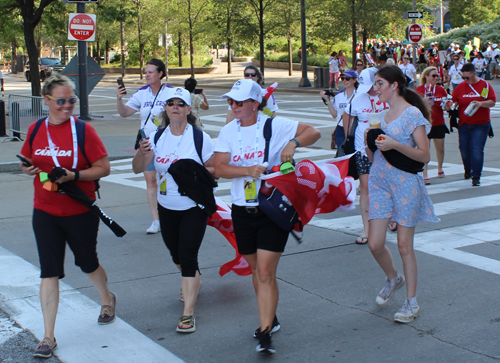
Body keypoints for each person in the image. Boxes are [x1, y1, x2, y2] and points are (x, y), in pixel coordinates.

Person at [214, 79, 320, 354]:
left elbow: (314, 131)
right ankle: (269, 317)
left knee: (264, 271)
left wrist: (294, 144)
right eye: (231, 102)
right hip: (241, 208)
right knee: (256, 269)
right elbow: (219, 168)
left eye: (239, 102)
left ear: (254, 103)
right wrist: (246, 171)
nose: (234, 106)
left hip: (271, 208)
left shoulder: (274, 125)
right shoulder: (228, 131)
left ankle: (264, 333)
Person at [19, 75, 115, 358]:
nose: (67, 106)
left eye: (71, 100)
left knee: (87, 262)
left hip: (80, 209)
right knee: (49, 271)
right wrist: (27, 169)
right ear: (47, 101)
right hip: (45, 209)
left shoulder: (84, 131)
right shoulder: (36, 129)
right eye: (60, 101)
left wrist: (76, 176)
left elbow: (104, 167)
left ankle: (107, 299)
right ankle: (48, 336)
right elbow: (28, 159)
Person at [132, 87, 215, 333]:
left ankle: (188, 313)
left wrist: (191, 171)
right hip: (166, 205)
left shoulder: (200, 138)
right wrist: (141, 152)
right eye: (171, 103)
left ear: (189, 109)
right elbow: (139, 168)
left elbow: (213, 169)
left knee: (188, 256)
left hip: (192, 206)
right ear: (166, 109)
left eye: (180, 103)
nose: (175, 107)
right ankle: (194, 279)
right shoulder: (157, 137)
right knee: (176, 256)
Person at [365, 65, 439, 323]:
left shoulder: (413, 114)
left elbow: (424, 155)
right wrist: (370, 142)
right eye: (375, 84)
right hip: (380, 182)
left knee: (404, 245)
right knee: (374, 243)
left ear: (394, 85)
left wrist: (395, 143)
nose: (376, 89)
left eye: (380, 84)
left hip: (406, 183)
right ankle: (392, 277)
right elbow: (375, 158)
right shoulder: (381, 117)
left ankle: (411, 302)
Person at [117, 58, 172, 234]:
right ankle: (156, 220)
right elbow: (125, 113)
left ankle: (170, 215)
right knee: (151, 180)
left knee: (167, 180)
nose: (147, 75)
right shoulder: (142, 93)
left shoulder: (171, 92)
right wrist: (119, 99)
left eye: (150, 72)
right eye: (146, 72)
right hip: (147, 144)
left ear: (160, 74)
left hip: (168, 143)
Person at [343, 67, 389, 245]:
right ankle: (367, 228)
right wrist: (348, 137)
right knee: (366, 187)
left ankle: (391, 218)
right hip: (363, 148)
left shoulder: (386, 94)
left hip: (387, 146)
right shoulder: (358, 97)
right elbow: (348, 114)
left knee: (387, 184)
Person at [447, 63, 497, 186]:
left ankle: (476, 176)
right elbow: (453, 101)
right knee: (464, 149)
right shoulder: (460, 87)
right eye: (463, 77)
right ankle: (467, 169)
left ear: (474, 74)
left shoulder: (485, 85)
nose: (465, 80)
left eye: (467, 77)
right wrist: (449, 106)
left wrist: (481, 103)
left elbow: (492, 102)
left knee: (476, 149)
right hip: (464, 123)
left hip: (481, 124)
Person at [416, 67, 450, 184]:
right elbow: (415, 107)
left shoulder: (441, 89)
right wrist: (424, 101)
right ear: (426, 76)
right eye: (433, 76)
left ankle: (440, 168)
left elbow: (446, 105)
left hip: (438, 122)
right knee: (425, 149)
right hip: (424, 123)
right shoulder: (419, 90)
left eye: (437, 76)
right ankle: (425, 173)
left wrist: (447, 106)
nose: (436, 78)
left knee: (440, 149)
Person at [320, 69, 358, 149]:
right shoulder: (338, 96)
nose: (344, 81)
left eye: (347, 78)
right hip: (341, 128)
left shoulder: (360, 95)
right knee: (341, 152)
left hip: (355, 128)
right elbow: (335, 115)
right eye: (342, 78)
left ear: (354, 80)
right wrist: (328, 101)